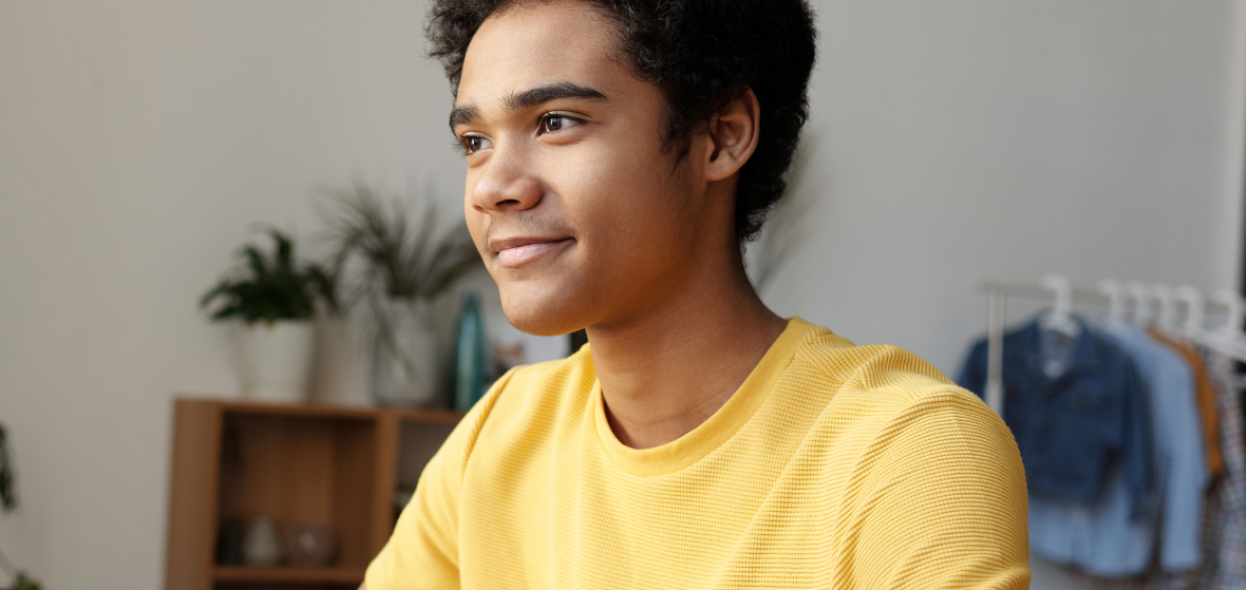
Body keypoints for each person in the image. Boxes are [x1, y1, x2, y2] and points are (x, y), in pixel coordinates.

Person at [362, 0, 1030, 588]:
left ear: (723, 134)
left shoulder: (906, 451)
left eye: (557, 121)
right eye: (474, 141)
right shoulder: (497, 438)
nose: (491, 187)